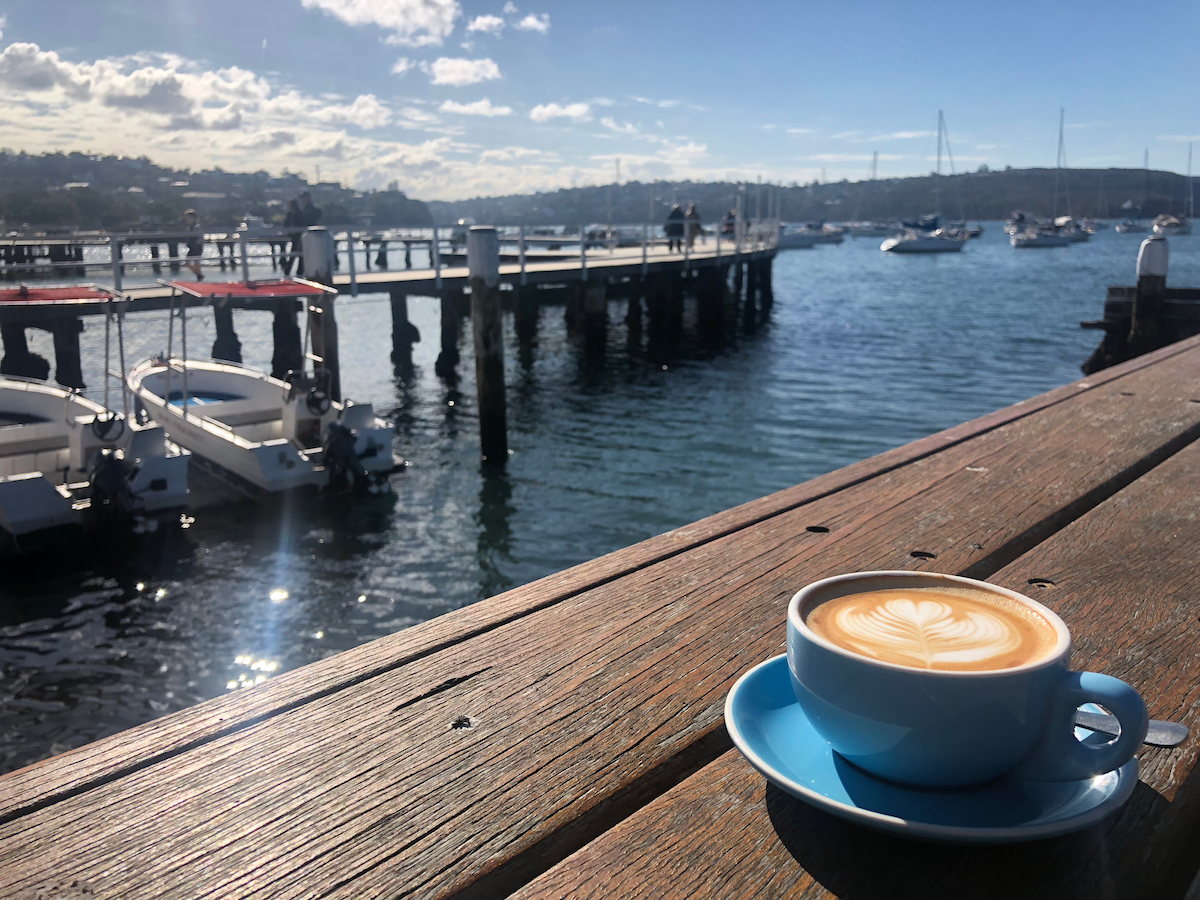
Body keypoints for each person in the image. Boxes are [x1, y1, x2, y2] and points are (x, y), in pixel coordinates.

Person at [291, 190, 322, 276]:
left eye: (304, 198)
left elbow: (314, 221)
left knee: (305, 256)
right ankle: (301, 273)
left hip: (311, 236)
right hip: (304, 236)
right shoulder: (304, 210)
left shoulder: (312, 210)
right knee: (302, 256)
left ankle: (302, 273)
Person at [280, 199, 300, 275]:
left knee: (297, 254)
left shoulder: (298, 214)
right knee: (294, 253)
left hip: (298, 236)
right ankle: (289, 270)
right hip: (292, 236)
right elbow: (285, 225)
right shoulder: (289, 214)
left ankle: (291, 270)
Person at [182, 209, 204, 280]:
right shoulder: (189, 227)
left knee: (196, 263)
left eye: (188, 218)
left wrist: (197, 243)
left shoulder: (196, 226)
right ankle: (199, 274)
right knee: (187, 263)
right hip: (191, 247)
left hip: (197, 247)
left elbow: (200, 236)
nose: (186, 220)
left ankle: (199, 276)